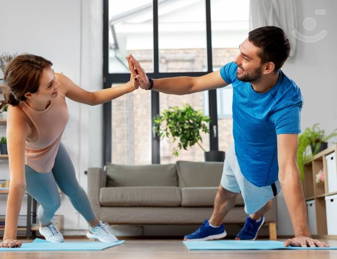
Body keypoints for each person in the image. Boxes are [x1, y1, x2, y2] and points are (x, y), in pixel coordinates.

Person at [128, 26, 328, 247]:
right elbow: (193, 84)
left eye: (245, 57)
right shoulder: (238, 71)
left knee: (258, 205)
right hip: (238, 147)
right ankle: (214, 227)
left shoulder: (286, 101)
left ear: (268, 67)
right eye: (239, 52)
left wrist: (301, 232)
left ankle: (254, 220)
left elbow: (288, 168)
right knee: (224, 191)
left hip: (261, 166)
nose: (236, 60)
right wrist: (150, 84)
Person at [0, 54, 138, 248]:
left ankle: (95, 227)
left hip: (54, 146)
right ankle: (45, 224)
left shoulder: (58, 81)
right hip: (33, 163)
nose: (57, 85)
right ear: (29, 94)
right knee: (53, 202)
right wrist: (8, 236)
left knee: (74, 188)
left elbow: (92, 98)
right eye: (49, 85)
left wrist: (130, 86)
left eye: (53, 78)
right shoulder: (18, 116)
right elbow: (18, 182)